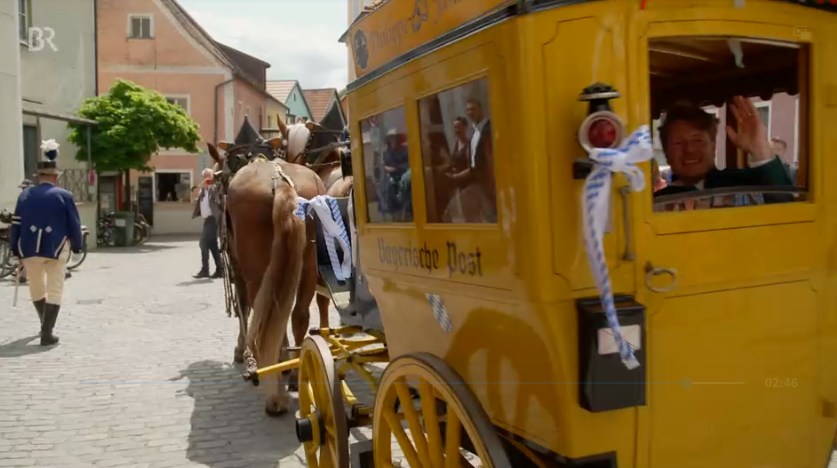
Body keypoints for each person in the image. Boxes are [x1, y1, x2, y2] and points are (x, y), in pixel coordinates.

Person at [653, 96, 792, 209]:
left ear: (713, 146)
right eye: (678, 143)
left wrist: (760, 149)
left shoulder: (742, 185)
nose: (689, 149)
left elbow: (787, 213)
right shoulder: (654, 205)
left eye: (698, 140)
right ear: (666, 152)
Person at [10, 140, 83, 346]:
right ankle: (46, 332)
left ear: (39, 177)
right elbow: (73, 224)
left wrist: (15, 247)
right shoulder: (64, 195)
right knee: (55, 288)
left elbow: (16, 223)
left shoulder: (24, 195)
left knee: (36, 288)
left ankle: (44, 325)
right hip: (56, 247)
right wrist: (77, 246)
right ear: (55, 177)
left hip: (30, 247)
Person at [192, 168, 223, 279]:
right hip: (206, 221)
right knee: (212, 246)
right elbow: (192, 195)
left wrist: (211, 183)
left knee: (203, 243)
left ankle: (205, 270)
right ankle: (220, 270)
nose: (207, 178)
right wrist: (201, 185)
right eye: (205, 176)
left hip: (213, 220)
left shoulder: (214, 188)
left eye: (209, 176)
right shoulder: (202, 190)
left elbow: (218, 196)